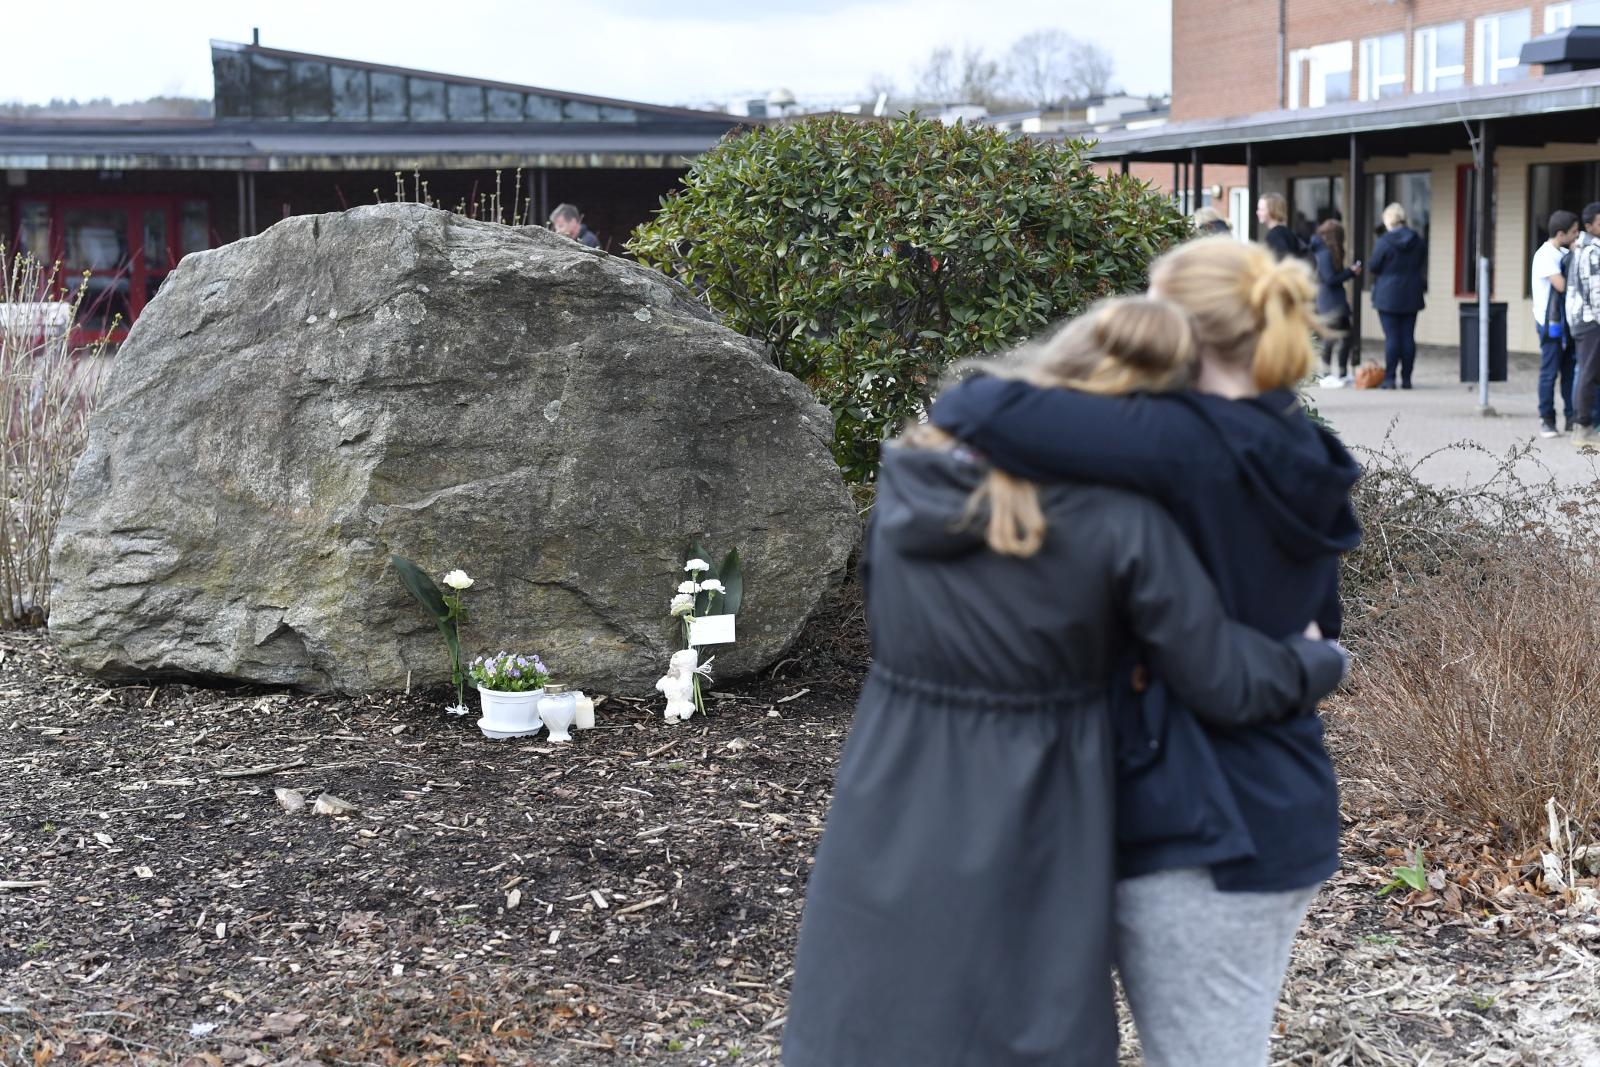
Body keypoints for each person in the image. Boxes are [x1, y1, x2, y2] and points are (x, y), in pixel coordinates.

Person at [782, 297, 1350, 1067]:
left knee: (882, 1012)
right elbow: (1222, 677)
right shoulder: (1118, 524)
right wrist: (1315, 658)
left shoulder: (910, 482)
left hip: (892, 784)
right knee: (1017, 1023)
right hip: (1035, 803)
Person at [931, 238, 1362, 1067]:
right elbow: (1319, 628)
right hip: (1279, 800)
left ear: (1182, 327)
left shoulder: (1183, 441)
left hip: (1205, 828)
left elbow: (978, 407)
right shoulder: (1296, 442)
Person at [1366, 202, 1427, 390]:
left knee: (1392, 337)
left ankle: (1390, 379)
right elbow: (1421, 261)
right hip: (1411, 291)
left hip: (1388, 294)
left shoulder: (1384, 242)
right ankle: (1407, 379)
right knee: (1408, 336)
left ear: (1388, 220)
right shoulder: (1417, 240)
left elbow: (1373, 266)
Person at [1532, 209, 1580, 437]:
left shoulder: (1561, 252)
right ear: (1561, 234)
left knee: (1569, 371)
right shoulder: (1545, 255)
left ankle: (1571, 418)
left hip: (1566, 322)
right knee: (1549, 372)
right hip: (1550, 324)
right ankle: (1547, 419)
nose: (1577, 235)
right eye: (1574, 232)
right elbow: (1562, 285)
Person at [1310, 218, 1362, 386]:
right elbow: (1330, 278)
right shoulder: (1324, 254)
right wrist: (1350, 272)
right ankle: (1325, 374)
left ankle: (1341, 372)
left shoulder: (1328, 251)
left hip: (1336, 299)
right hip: (1329, 301)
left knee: (1347, 336)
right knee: (1330, 338)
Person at [1566, 203, 1600, 446]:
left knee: (1587, 373)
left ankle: (1584, 425)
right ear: (1589, 225)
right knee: (1587, 374)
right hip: (1591, 320)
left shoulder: (1581, 248)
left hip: (1582, 320)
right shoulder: (1591, 251)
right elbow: (1595, 292)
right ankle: (1582, 429)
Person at [1257, 193, 1301, 261]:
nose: (1257, 212)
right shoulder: (1286, 232)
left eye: (1261, 209)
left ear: (1272, 211)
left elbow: (1282, 262)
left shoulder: (1275, 236)